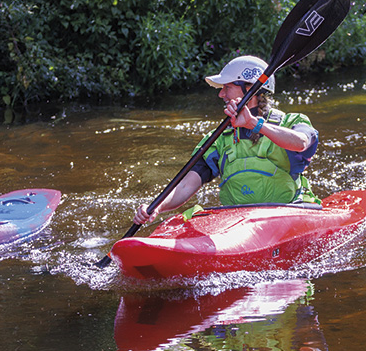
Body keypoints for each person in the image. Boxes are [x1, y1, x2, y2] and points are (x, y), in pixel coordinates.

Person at [132, 56, 319, 225]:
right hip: (236, 222)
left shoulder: (291, 122)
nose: (221, 94)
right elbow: (185, 184)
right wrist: (157, 206)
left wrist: (253, 123)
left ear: (250, 89)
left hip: (286, 215)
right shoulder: (218, 139)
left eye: (227, 87)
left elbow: (301, 143)